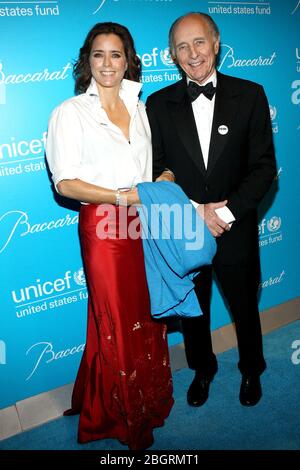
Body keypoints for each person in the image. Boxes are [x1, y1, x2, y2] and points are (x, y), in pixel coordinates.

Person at [46, 22, 173, 451]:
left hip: (141, 221)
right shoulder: (70, 112)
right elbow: (65, 182)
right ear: (88, 61)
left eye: (116, 54)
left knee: (145, 315)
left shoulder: (139, 107)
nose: (107, 64)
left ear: (128, 61)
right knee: (115, 318)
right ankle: (123, 415)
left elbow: (149, 169)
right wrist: (122, 196)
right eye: (98, 55)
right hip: (103, 225)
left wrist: (161, 180)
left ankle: (147, 400)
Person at [146, 12, 276, 408]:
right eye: (182, 46)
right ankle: (203, 368)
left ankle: (252, 367)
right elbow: (155, 172)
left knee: (244, 306)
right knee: (193, 309)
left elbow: (263, 168)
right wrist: (194, 212)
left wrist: (226, 213)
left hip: (234, 227)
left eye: (199, 42)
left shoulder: (251, 94)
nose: (192, 53)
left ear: (216, 43)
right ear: (172, 54)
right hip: (185, 229)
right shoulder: (158, 103)